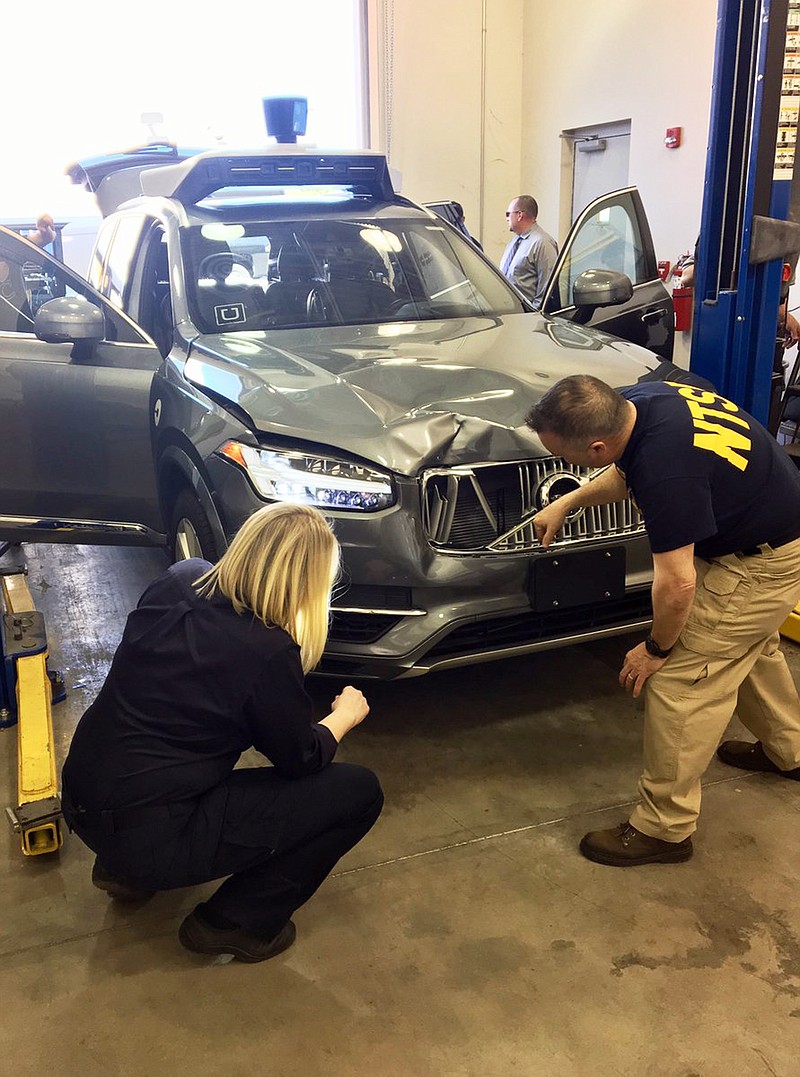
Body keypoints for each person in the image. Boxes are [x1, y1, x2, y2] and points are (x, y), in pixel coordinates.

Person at [61, 502, 384, 961]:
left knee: (159, 750)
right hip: (146, 834)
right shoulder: (268, 650)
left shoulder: (179, 578)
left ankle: (124, 872)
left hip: (81, 797)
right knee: (359, 793)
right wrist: (344, 715)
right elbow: (301, 759)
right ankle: (234, 923)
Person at [526, 375, 800, 867]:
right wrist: (566, 502)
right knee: (747, 649)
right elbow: (624, 470)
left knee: (683, 681)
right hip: (772, 533)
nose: (566, 466)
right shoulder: (639, 402)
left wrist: (654, 650)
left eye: (567, 458)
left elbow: (678, 586)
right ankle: (791, 751)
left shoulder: (666, 471)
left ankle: (663, 828)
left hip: (759, 561)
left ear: (596, 444)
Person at [500, 195, 558, 310]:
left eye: (508, 214)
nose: (506, 218)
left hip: (527, 316)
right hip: (509, 312)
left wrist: (534, 314)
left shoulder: (543, 243)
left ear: (520, 215)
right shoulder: (513, 242)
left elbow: (546, 288)